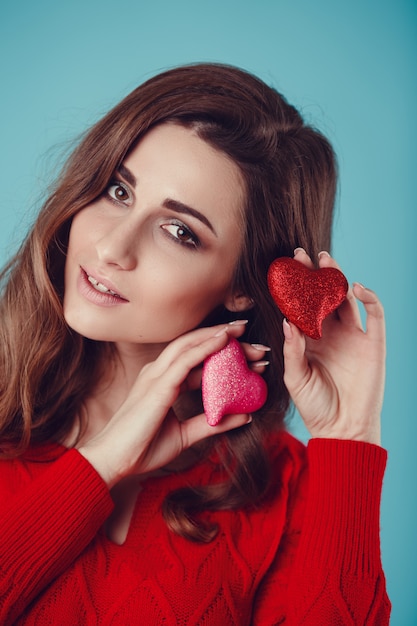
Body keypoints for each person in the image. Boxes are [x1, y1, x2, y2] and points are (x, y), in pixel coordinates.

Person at [0, 63, 391, 625]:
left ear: (239, 288)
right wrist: (99, 464)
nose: (113, 246)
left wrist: (350, 436)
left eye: (180, 232)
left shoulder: (286, 488)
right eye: (118, 190)